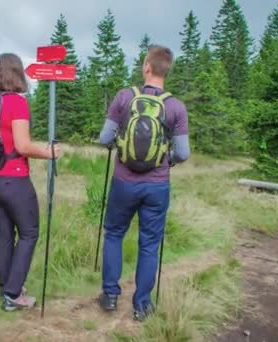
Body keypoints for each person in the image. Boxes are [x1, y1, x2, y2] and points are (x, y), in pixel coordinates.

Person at [98, 45, 190, 321]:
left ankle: (111, 295)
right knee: (150, 244)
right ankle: (141, 305)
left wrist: (121, 145)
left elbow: (105, 139)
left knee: (114, 233)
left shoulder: (125, 97)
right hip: (157, 185)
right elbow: (183, 153)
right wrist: (167, 159)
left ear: (147, 67)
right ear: (167, 70)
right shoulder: (176, 106)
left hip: (123, 181)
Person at [0, 53, 61, 312]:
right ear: (17, 74)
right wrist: (49, 152)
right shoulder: (16, 102)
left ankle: (7, 289)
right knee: (29, 233)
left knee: (4, 232)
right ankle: (14, 295)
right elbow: (22, 146)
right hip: (14, 178)